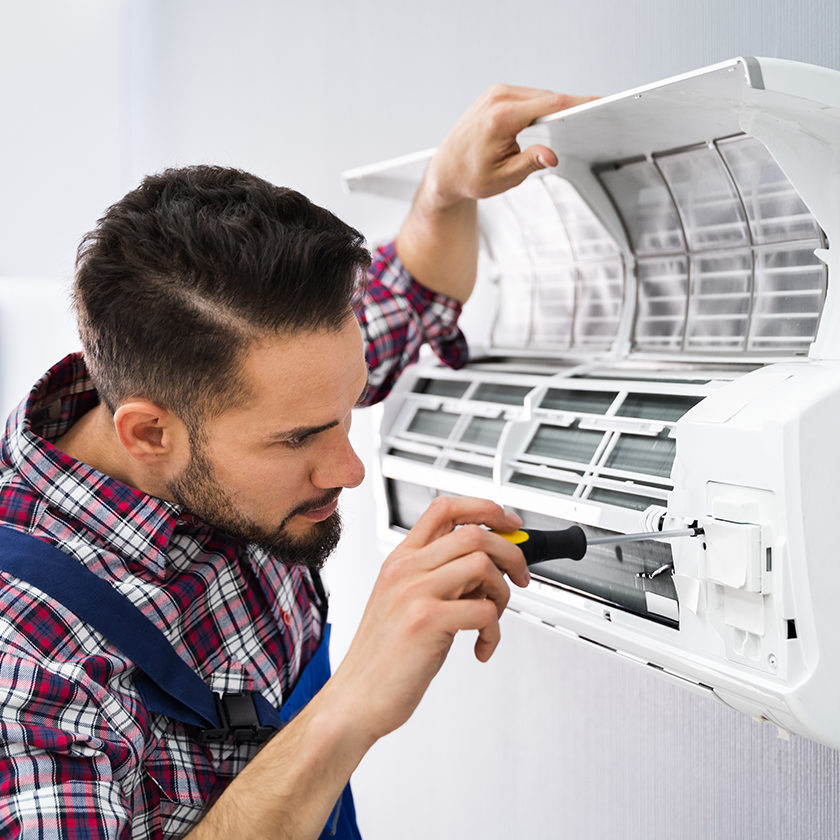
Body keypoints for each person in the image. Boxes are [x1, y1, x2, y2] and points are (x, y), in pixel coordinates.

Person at [0, 86, 592, 839]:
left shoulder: (269, 378)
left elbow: (413, 286)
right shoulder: (25, 654)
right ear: (149, 434)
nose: (348, 469)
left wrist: (446, 192)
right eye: (299, 440)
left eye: (347, 412)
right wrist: (349, 707)